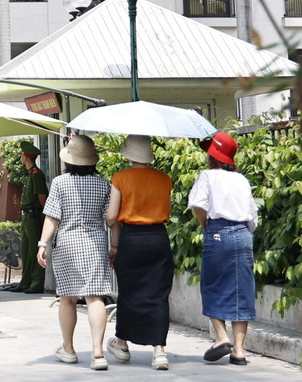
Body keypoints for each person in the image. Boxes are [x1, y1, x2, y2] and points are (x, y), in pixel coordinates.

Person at [37, 134, 114, 370]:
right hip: (96, 244)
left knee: (68, 298)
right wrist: (114, 246)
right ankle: (98, 353)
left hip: (67, 244)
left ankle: (68, 349)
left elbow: (52, 216)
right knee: (95, 297)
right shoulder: (104, 184)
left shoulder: (60, 183)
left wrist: (42, 243)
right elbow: (110, 219)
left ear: (69, 160)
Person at [104, 135, 174, 371]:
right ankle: (159, 351)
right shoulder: (165, 179)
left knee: (129, 292)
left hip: (131, 239)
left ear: (128, 154)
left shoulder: (120, 178)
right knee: (158, 293)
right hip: (158, 238)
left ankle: (122, 344)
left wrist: (110, 229)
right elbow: (168, 210)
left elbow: (112, 217)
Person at [189, 131, 259, 366]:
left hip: (217, 232)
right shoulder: (242, 180)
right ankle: (239, 351)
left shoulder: (207, 176)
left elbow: (198, 204)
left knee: (212, 285)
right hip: (243, 235)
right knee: (242, 290)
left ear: (213, 156)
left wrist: (206, 225)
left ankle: (221, 338)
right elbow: (253, 217)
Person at [14, 139, 49, 294]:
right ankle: (25, 281)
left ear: (26, 156)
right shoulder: (29, 174)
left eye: (21, 155)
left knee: (35, 249)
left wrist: (44, 217)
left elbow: (42, 197)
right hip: (27, 217)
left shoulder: (36, 174)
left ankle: (36, 283)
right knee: (26, 250)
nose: (20, 158)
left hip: (34, 216)